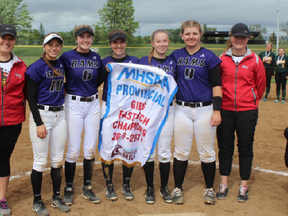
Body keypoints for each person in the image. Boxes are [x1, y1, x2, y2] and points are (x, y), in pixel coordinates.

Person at [169, 20, 222, 205]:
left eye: (195, 33)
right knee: (181, 151)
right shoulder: (175, 55)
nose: (191, 37)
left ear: (200, 34)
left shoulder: (210, 56)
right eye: (187, 33)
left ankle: (209, 188)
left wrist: (217, 110)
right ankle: (178, 188)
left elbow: (217, 85)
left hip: (205, 109)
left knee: (206, 152)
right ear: (182, 35)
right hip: (181, 109)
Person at [216, 23, 266, 203]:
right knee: (225, 148)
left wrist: (249, 101)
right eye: (236, 36)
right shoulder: (222, 59)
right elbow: (218, 85)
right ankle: (224, 183)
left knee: (245, 148)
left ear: (247, 39)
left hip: (247, 111)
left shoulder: (255, 60)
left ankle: (243, 185)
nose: (239, 40)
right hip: (226, 110)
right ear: (231, 38)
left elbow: (260, 87)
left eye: (242, 37)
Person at [26, 33, 70, 215]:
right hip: (42, 115)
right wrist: (39, 123)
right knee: (40, 160)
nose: (54, 48)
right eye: (50, 45)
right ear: (44, 47)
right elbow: (30, 96)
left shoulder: (60, 64)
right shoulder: (35, 68)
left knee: (57, 159)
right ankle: (37, 200)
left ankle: (56, 197)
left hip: (60, 115)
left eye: (57, 45)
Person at [59, 25, 102, 206]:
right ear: (76, 38)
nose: (85, 40)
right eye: (82, 37)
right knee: (73, 149)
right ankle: (69, 187)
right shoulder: (67, 56)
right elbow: (56, 74)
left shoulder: (96, 57)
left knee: (90, 148)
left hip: (92, 104)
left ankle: (87, 187)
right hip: (74, 104)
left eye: (88, 37)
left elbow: (99, 79)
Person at [100, 29, 139, 201]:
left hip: (130, 110)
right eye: (115, 42)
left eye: (121, 42)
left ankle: (126, 184)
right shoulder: (104, 62)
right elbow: (94, 83)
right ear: (110, 44)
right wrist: (104, 72)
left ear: (125, 43)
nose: (118, 45)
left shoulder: (135, 62)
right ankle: (109, 185)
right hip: (110, 108)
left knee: (128, 145)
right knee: (108, 145)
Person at [138, 29, 176, 204]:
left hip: (167, 111)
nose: (162, 44)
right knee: (149, 150)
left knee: (165, 150)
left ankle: (164, 187)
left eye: (165, 41)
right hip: (148, 112)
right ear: (152, 43)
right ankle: (150, 188)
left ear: (168, 43)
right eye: (158, 41)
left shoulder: (173, 61)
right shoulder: (143, 62)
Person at [0, 24, 27, 216]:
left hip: (12, 121)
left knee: (3, 158)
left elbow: (29, 94)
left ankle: (1, 199)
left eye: (10, 38)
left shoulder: (21, 66)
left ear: (14, 41)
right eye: (3, 38)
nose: (6, 42)